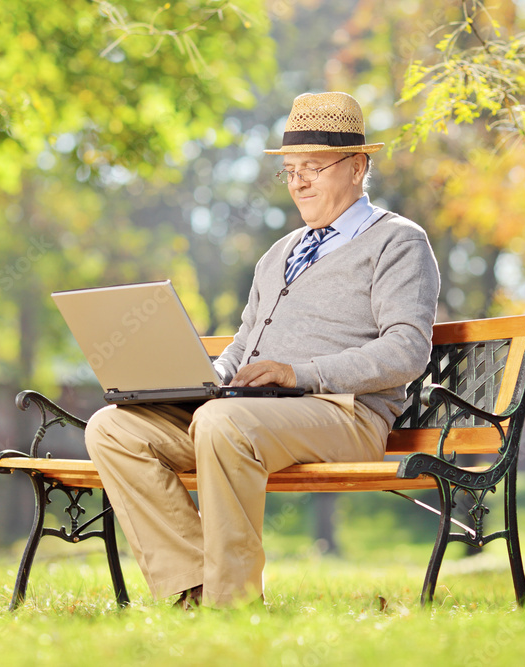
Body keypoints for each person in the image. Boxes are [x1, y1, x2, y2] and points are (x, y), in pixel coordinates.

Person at [85, 92, 441, 609]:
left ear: (358, 166)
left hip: (345, 416)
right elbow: (245, 339)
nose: (298, 182)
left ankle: (234, 602)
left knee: (223, 424)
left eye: (313, 167)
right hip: (245, 416)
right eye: (290, 170)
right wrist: (209, 375)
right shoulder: (280, 252)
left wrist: (299, 374)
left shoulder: (398, 242)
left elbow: (407, 350)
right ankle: (193, 589)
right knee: (112, 428)